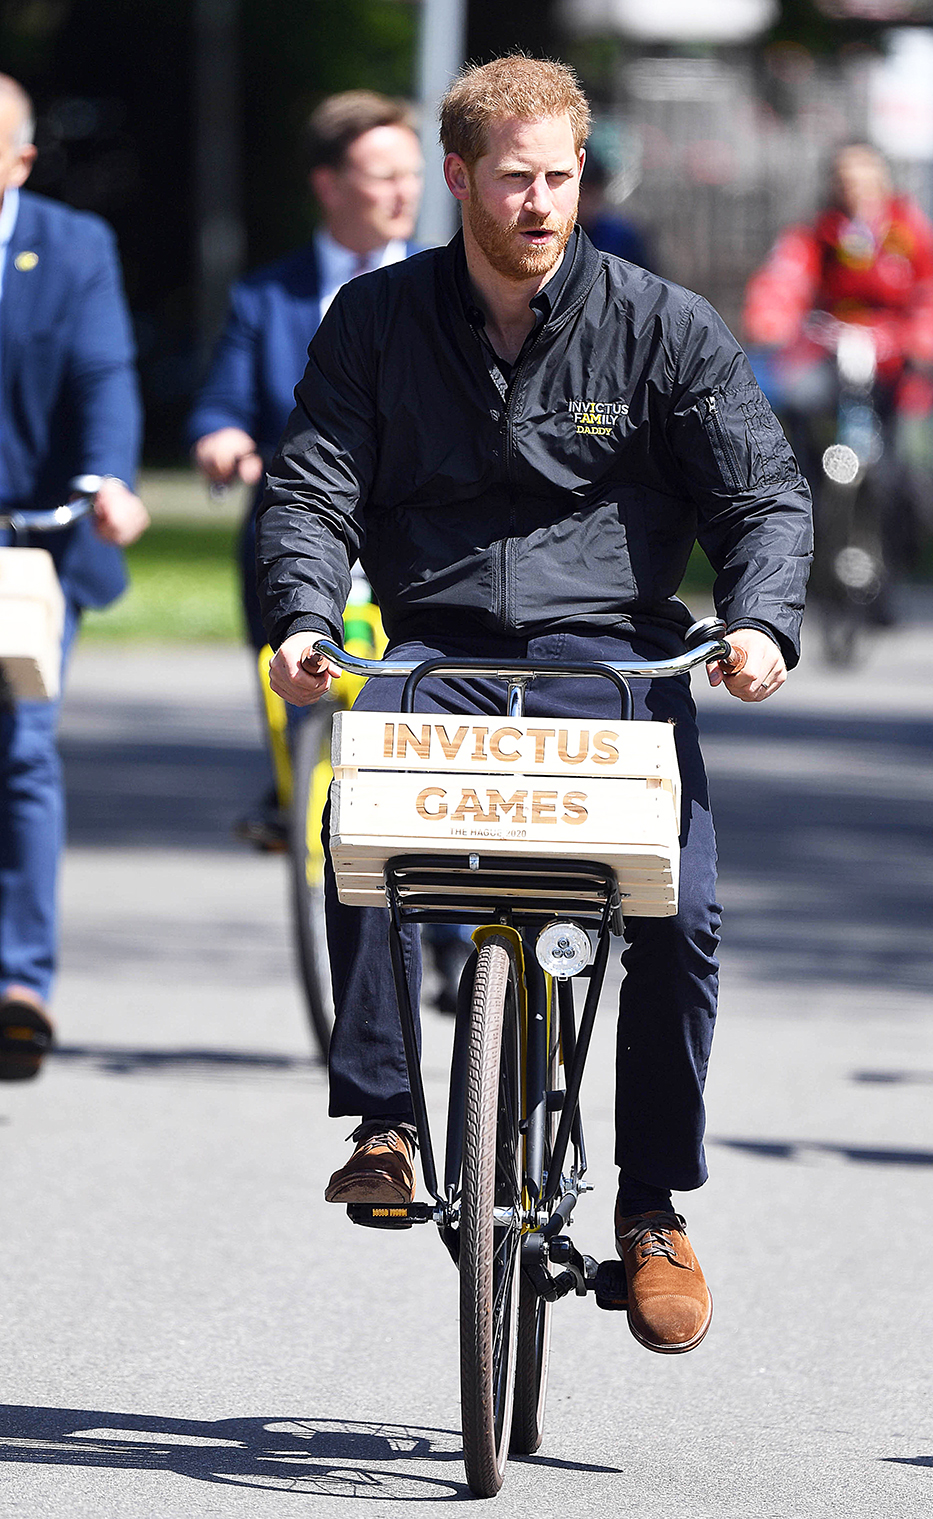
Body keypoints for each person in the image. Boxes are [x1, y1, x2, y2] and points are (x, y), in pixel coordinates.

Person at [258, 56, 812, 1356]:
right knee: (365, 844)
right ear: (458, 179)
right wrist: (298, 613)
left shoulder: (662, 324)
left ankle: (653, 1205)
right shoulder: (375, 321)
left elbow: (764, 494)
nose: (541, 202)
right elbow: (312, 487)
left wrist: (760, 623)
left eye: (560, 177)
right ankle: (388, 1120)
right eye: (515, 178)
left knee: (684, 905)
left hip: (612, 659)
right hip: (440, 645)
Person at [189, 90, 424, 849]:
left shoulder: (446, 289)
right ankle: (296, 783)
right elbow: (221, 401)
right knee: (294, 665)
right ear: (328, 184)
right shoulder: (268, 296)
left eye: (413, 175)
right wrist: (223, 436)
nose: (404, 193)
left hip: (415, 533)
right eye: (383, 175)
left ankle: (453, 898)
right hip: (299, 520)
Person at [0, 75, 148, 1081]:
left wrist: (110, 481)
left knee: (22, 745)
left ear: (18, 157)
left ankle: (20, 982)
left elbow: (105, 380)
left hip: (31, 550)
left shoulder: (73, 246)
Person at [743, 142, 933, 619]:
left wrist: (925, 339)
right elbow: (784, 280)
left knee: (892, 474)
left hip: (891, 371)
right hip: (829, 357)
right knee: (797, 413)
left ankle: (886, 574)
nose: (855, 190)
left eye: (864, 179)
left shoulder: (910, 233)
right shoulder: (818, 234)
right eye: (845, 180)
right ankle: (805, 512)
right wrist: (773, 318)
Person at [577, 148, 654, 270]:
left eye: (591, 193)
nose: (585, 203)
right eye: (581, 193)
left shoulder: (620, 237)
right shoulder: (554, 237)